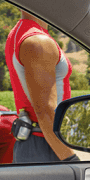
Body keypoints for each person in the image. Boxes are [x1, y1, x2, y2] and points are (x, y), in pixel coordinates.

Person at [5, 10, 79, 162]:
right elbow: (46, 112)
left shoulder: (20, 32)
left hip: (35, 142)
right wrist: (71, 160)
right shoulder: (38, 41)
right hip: (47, 145)